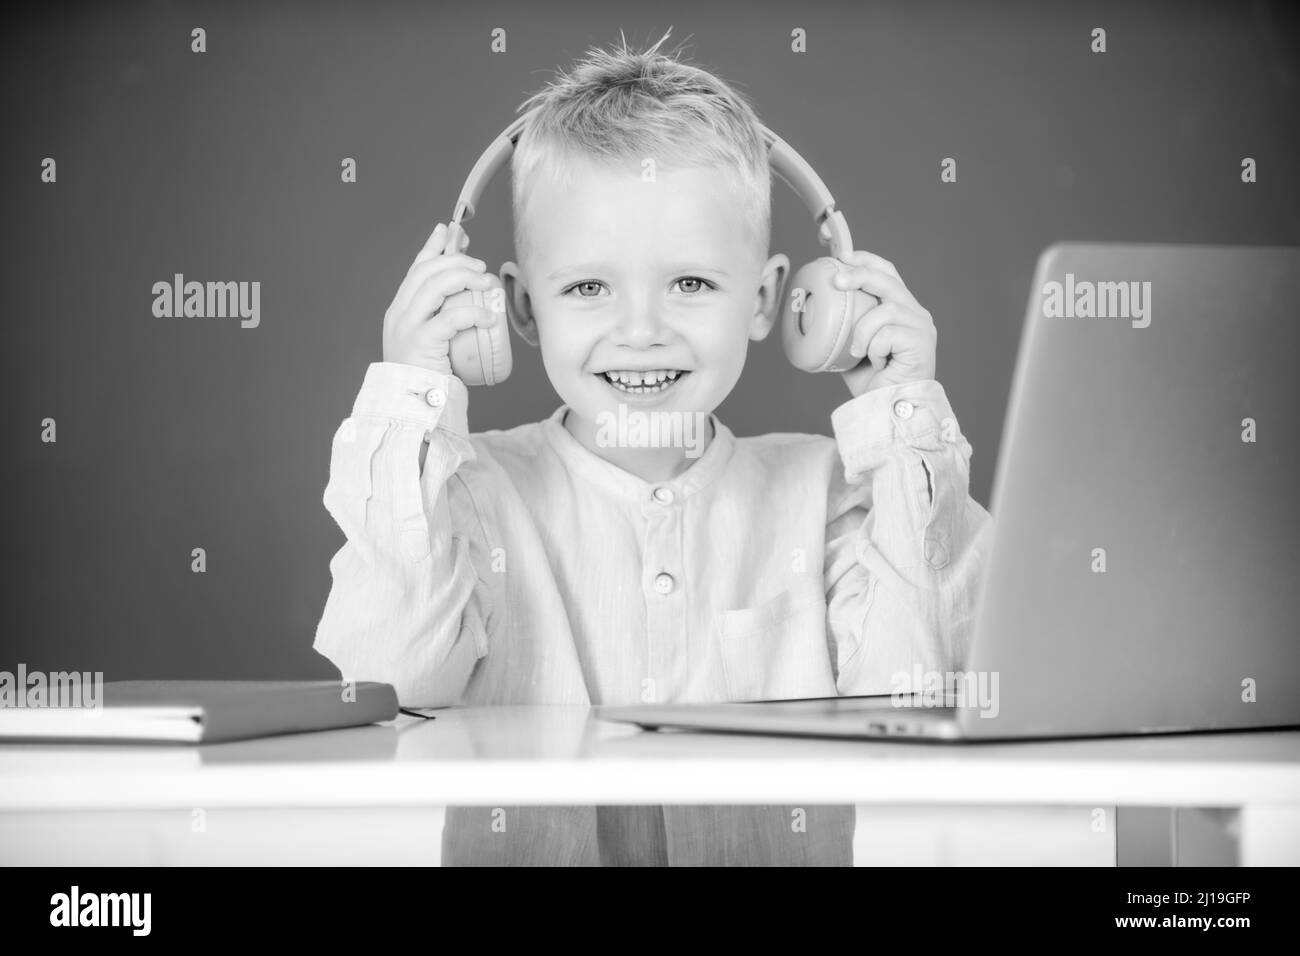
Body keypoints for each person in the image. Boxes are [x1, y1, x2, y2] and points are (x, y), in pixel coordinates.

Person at [314, 30, 992, 865]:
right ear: (519, 310)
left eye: (693, 283)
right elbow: (393, 677)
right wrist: (409, 393)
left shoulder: (831, 496)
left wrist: (902, 416)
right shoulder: (468, 498)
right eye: (588, 287)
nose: (641, 330)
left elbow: (916, 697)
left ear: (770, 300)